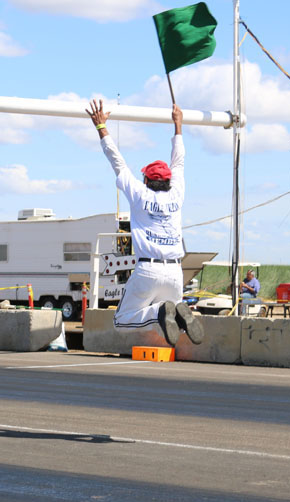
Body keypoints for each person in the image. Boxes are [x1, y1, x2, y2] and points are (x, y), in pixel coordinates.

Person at [85, 99, 203, 347]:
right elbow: (179, 160)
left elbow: (117, 162)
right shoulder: (177, 194)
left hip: (148, 269)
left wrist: (101, 128)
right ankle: (168, 310)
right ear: (169, 181)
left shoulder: (139, 194)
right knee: (176, 329)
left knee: (122, 320)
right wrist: (178, 126)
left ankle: (158, 312)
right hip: (175, 271)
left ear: (147, 180)